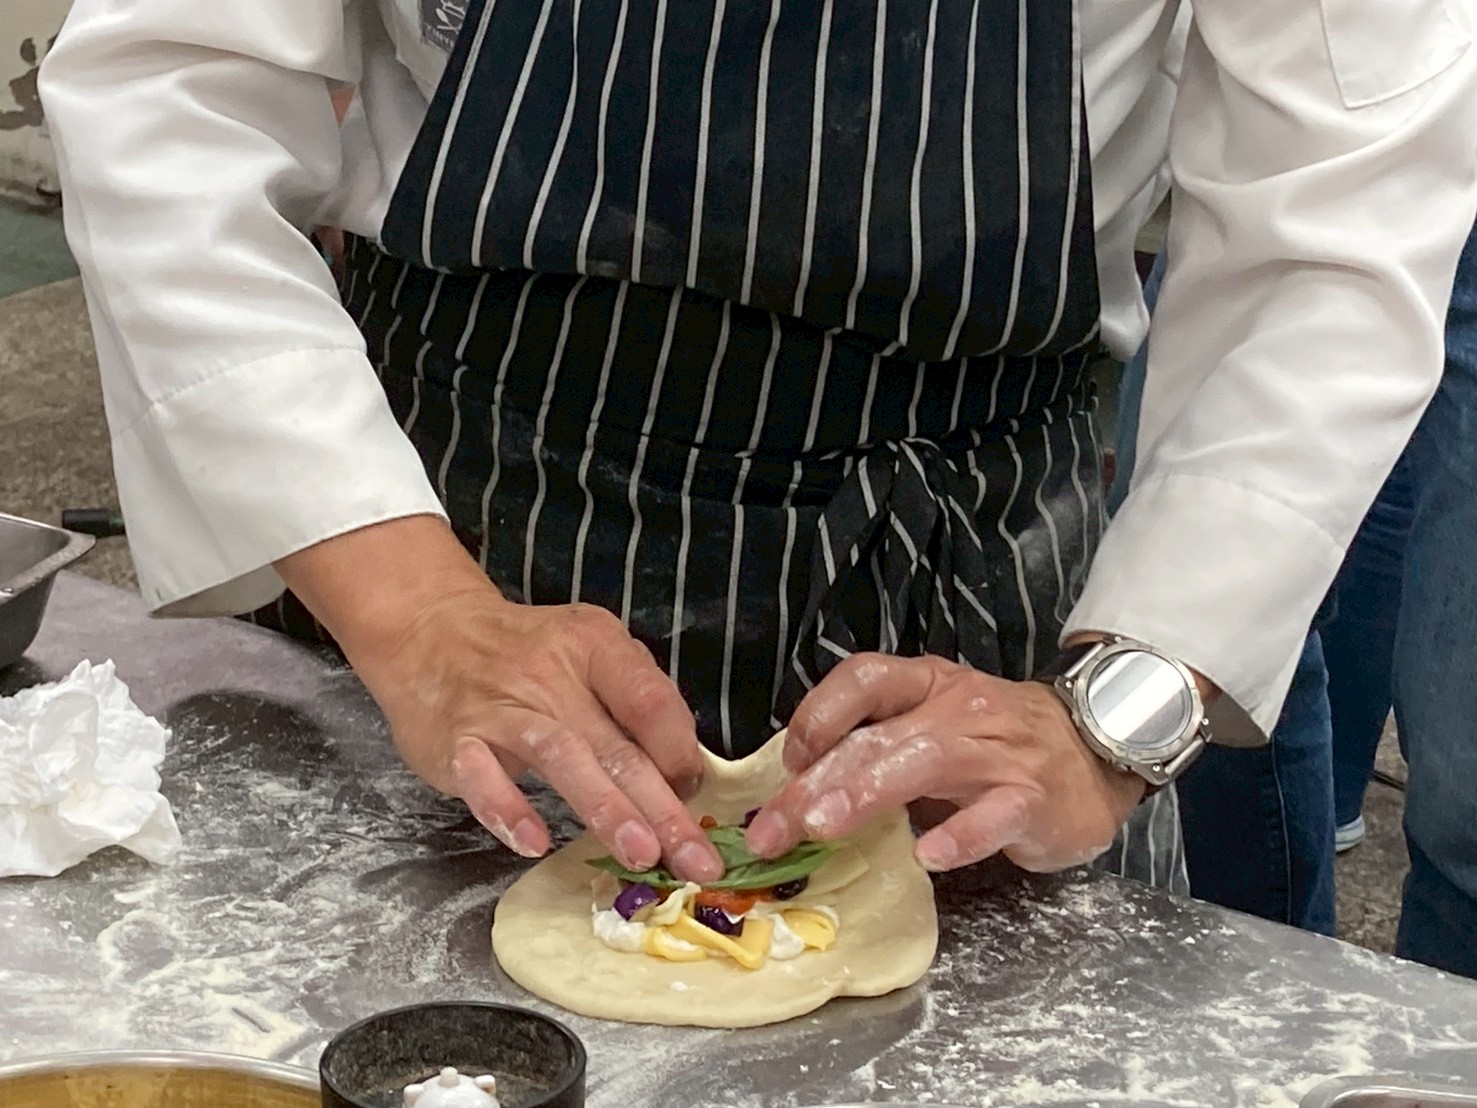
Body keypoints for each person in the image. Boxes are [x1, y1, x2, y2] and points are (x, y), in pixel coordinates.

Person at [37, 0, 1477, 891]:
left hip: (959, 598)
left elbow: (1333, 250)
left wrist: (1116, 717)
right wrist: (414, 610)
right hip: (457, 520)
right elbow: (171, 91)